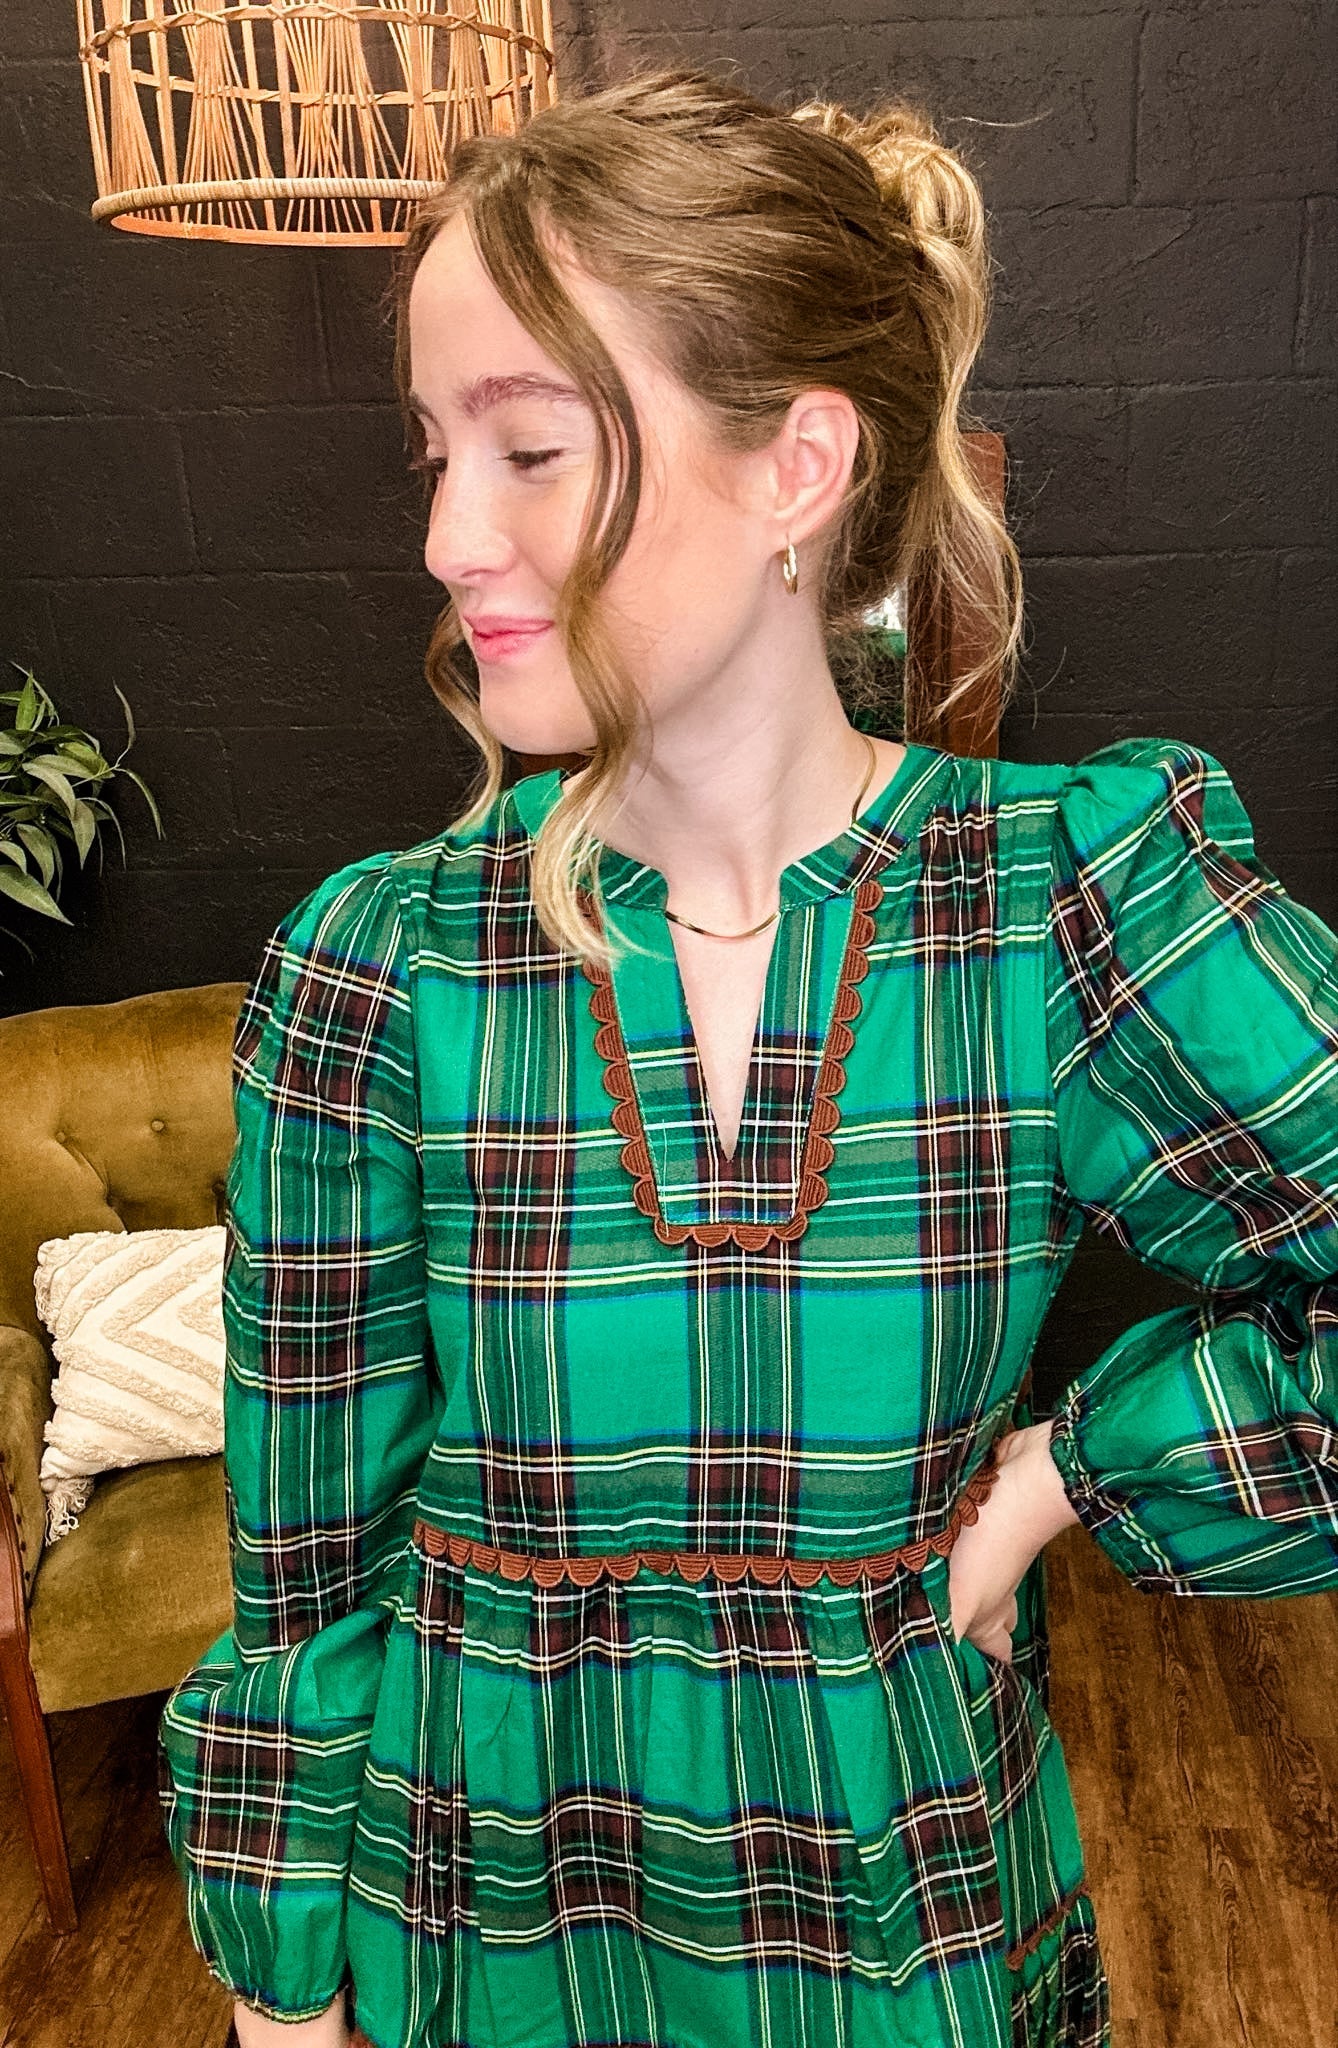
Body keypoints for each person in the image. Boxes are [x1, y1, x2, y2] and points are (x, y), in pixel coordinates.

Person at [156, 65, 1338, 2048]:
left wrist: (1060, 1478)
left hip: (900, 1926)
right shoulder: (377, 965)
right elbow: (306, 1568)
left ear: (797, 465)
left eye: (532, 448)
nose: (448, 535)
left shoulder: (1063, 901)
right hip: (486, 1925)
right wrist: (282, 2006)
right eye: (434, 452)